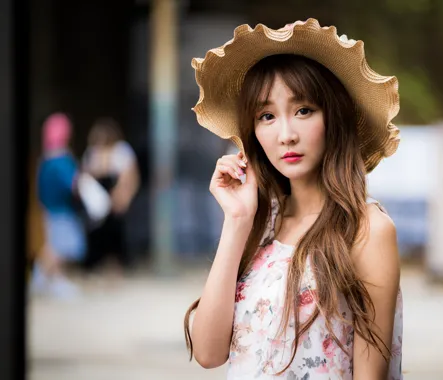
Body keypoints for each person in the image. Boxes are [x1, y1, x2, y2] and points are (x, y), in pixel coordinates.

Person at [183, 19, 403, 379]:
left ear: (334, 117)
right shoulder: (261, 226)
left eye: (303, 110)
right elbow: (208, 352)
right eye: (267, 116)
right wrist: (237, 220)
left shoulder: (367, 230)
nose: (286, 135)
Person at [32, 112, 86, 298]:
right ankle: (45, 279)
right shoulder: (62, 160)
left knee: (54, 245)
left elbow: (39, 188)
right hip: (62, 210)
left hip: (48, 209)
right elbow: (73, 183)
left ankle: (47, 279)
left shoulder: (45, 160)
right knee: (64, 246)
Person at [82, 117, 140, 277]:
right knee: (98, 232)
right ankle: (98, 264)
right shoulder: (92, 152)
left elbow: (129, 176)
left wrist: (123, 196)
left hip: (116, 194)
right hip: (99, 198)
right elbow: (87, 174)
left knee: (117, 232)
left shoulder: (121, 150)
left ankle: (117, 265)